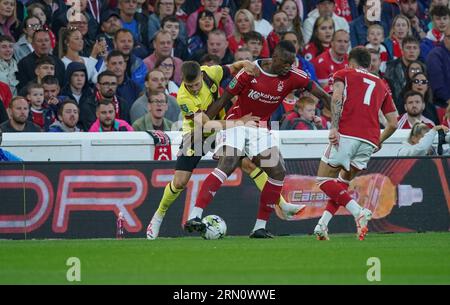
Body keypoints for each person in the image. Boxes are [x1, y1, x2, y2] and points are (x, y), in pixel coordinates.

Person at [145, 58, 308, 240]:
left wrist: (246, 63)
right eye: (190, 86)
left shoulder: (211, 72)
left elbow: (234, 67)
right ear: (183, 82)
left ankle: (282, 204)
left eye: (197, 84)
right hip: (197, 134)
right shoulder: (184, 97)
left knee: (248, 165)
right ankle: (158, 215)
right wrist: (241, 122)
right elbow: (206, 125)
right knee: (180, 182)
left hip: (225, 129)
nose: (194, 88)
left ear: (201, 75)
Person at [183, 41, 331, 238]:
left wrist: (337, 121)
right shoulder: (250, 72)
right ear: (275, 58)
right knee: (229, 161)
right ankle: (195, 215)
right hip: (237, 122)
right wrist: (203, 127)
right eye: (285, 62)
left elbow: (324, 96)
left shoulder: (294, 76)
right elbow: (223, 100)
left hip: (261, 128)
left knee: (277, 171)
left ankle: (259, 227)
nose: (289, 67)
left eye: (291, 63)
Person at [313, 47, 398, 241]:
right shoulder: (381, 84)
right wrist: (379, 140)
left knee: (323, 181)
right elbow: (393, 122)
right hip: (368, 140)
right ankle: (322, 225)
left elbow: (336, 98)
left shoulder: (343, 73)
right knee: (341, 184)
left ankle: (359, 211)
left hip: (347, 134)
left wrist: (334, 127)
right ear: (369, 65)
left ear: (350, 63)